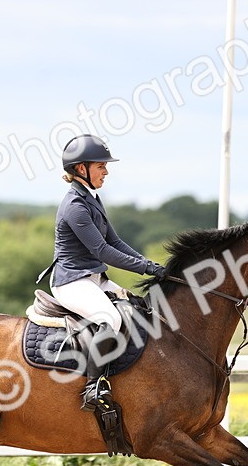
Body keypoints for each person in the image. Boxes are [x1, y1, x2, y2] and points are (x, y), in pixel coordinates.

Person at [45, 134, 167, 411]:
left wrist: (151, 265)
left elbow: (116, 242)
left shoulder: (91, 199)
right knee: (110, 318)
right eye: (101, 166)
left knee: (138, 309)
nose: (106, 171)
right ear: (81, 169)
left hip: (93, 279)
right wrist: (146, 268)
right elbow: (102, 250)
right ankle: (93, 386)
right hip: (71, 282)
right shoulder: (75, 206)